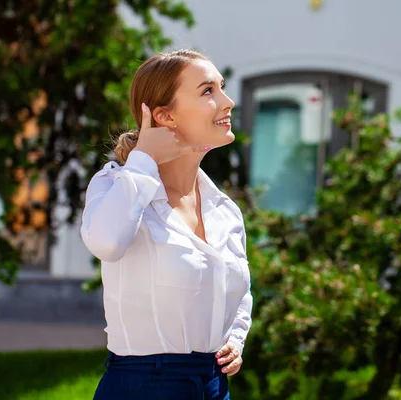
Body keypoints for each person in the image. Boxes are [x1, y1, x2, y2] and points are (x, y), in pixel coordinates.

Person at [80, 49, 252, 400]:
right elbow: (105, 243)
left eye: (222, 88)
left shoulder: (224, 210)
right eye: (208, 92)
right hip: (145, 386)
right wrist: (144, 158)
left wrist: (235, 336)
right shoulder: (118, 186)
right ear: (164, 116)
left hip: (214, 385)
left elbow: (237, 290)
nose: (228, 101)